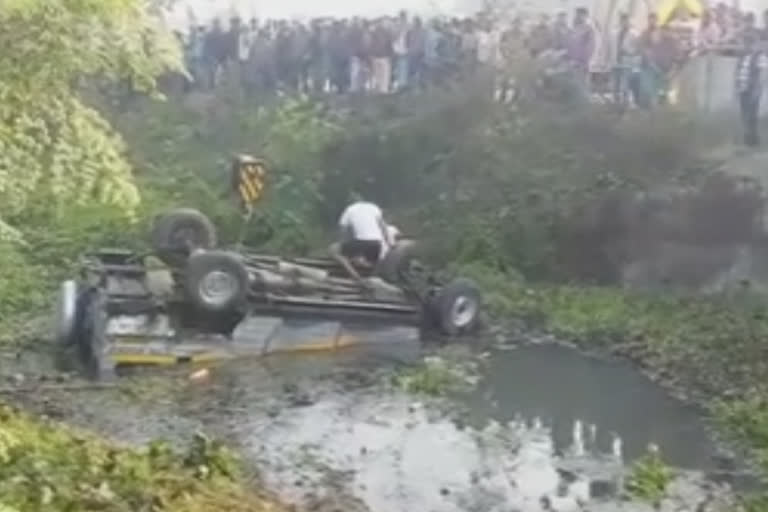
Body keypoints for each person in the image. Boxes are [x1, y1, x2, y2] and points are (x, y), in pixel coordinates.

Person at [330, 200, 394, 283]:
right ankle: (370, 271)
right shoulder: (373, 207)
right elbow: (383, 227)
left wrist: (342, 245)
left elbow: (343, 230)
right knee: (363, 259)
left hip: (362, 243)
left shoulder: (349, 210)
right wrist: (390, 243)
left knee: (333, 249)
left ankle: (355, 276)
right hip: (377, 244)